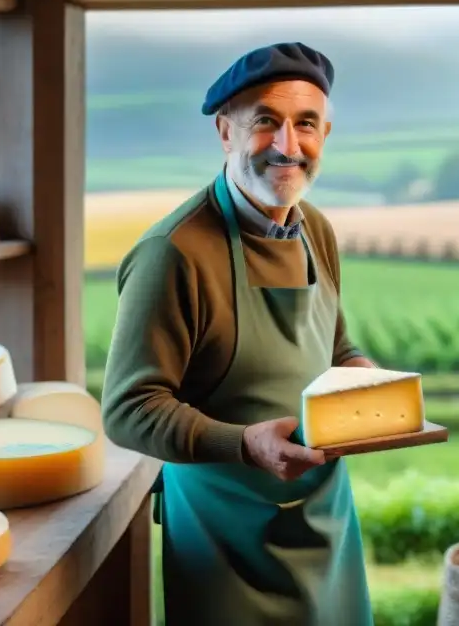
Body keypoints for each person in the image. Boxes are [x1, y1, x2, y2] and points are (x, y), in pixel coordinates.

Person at [101, 42, 376, 625]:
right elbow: (128, 409)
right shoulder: (171, 254)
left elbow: (335, 346)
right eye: (265, 124)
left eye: (305, 124)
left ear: (325, 132)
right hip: (223, 536)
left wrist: (363, 379)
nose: (288, 146)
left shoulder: (315, 230)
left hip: (324, 516)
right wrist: (246, 444)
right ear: (226, 132)